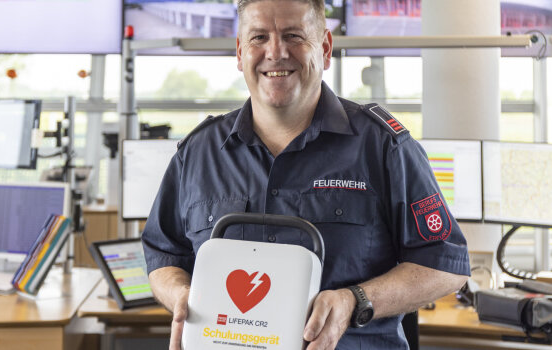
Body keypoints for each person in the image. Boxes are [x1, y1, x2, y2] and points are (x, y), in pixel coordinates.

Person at [141, 0, 470, 349]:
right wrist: (182, 295)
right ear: (240, 52)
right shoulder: (197, 153)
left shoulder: (384, 147)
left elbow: (446, 264)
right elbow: (164, 256)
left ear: (325, 48)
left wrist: (354, 300)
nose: (276, 52)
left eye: (293, 36)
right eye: (258, 38)